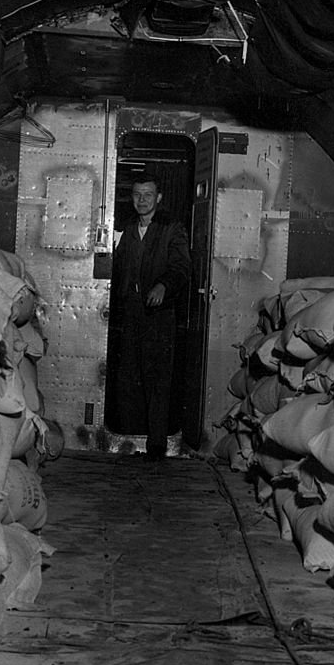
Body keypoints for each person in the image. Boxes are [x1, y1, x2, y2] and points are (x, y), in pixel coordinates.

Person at [112, 178, 191, 461]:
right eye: (137, 194)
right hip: (132, 312)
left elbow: (182, 267)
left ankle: (156, 444)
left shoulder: (172, 229)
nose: (142, 200)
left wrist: (164, 286)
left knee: (158, 378)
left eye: (148, 194)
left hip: (159, 315)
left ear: (159, 198)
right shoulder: (128, 229)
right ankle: (131, 439)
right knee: (130, 375)